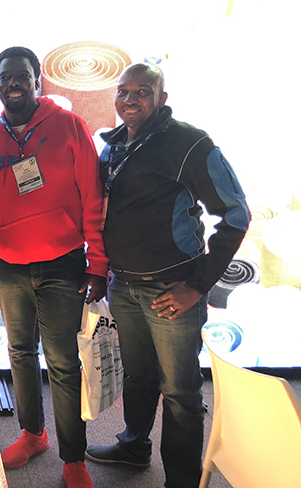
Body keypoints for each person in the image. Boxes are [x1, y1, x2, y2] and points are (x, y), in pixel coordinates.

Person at [84, 63, 250, 488]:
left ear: (162, 98)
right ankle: (134, 446)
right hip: (124, 285)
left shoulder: (189, 143)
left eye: (142, 91)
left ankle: (181, 479)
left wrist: (197, 286)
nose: (130, 99)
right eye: (123, 91)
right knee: (138, 376)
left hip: (172, 289)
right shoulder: (113, 147)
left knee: (180, 391)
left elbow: (235, 215)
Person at [0, 46, 109, 488]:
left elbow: (93, 196)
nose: (13, 83)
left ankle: (74, 458)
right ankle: (33, 434)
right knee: (19, 353)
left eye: (22, 75)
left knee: (63, 362)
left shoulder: (68, 125)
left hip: (63, 263)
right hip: (10, 268)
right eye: (4, 77)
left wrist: (97, 263)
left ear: (37, 81)